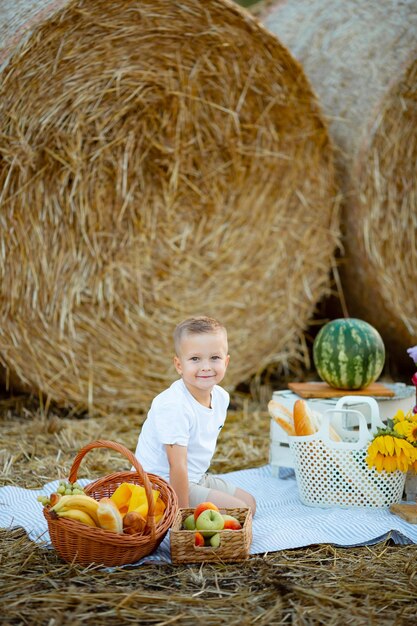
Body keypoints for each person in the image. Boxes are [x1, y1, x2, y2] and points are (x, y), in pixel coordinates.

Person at [134, 315, 256, 515]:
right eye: (195, 359)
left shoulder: (221, 397)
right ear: (179, 365)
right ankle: (179, 509)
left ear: (226, 362)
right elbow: (177, 465)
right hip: (163, 484)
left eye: (214, 358)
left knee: (250, 504)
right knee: (240, 511)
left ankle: (203, 494)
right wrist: (181, 515)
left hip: (195, 476)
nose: (206, 367)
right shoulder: (174, 406)